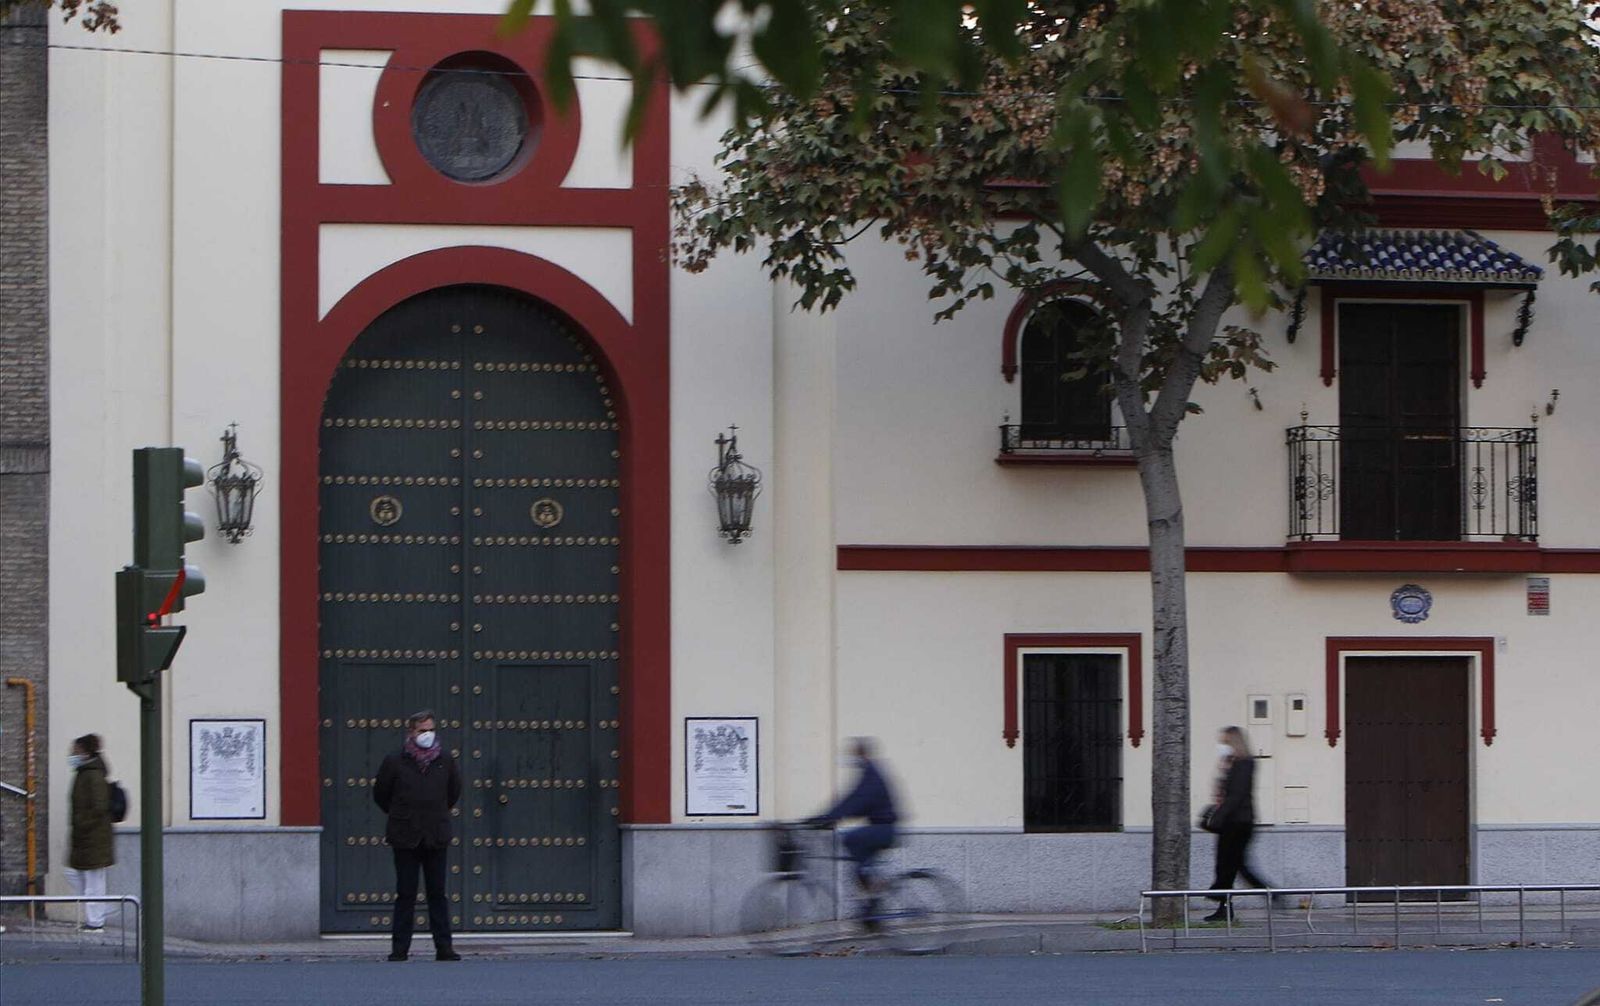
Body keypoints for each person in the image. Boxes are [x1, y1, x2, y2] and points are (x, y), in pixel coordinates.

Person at [374, 710, 462, 961]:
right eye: (422, 730)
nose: (427, 734)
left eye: (430, 729)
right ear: (411, 732)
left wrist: (435, 813)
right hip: (405, 835)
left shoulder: (445, 759)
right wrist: (401, 814)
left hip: (436, 835)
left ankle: (444, 947)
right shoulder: (395, 760)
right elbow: (381, 794)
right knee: (406, 893)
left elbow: (453, 791)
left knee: (437, 893)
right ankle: (400, 949)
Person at [806, 738, 899, 927]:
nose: (852, 759)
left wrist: (830, 817)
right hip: (881, 828)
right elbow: (852, 800)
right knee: (860, 862)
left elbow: (858, 801)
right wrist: (826, 816)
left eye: (855, 755)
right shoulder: (870, 772)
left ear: (861, 754)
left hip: (884, 829)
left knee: (851, 839)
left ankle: (875, 889)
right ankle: (872, 905)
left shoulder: (871, 774)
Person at [1202, 725, 1276, 921]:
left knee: (1232, 865)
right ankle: (1224, 906)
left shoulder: (1245, 764)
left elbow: (1236, 795)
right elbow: (1225, 793)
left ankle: (1269, 893)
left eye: (1224, 742)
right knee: (1230, 866)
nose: (1221, 747)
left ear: (1234, 742)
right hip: (1232, 822)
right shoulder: (1233, 763)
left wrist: (1217, 817)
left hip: (1239, 823)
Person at [66, 734, 115, 931]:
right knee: (74, 873)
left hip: (94, 837)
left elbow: (99, 806)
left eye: (75, 751)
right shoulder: (84, 772)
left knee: (94, 880)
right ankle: (102, 910)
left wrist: (82, 823)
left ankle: (96, 922)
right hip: (86, 837)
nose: (72, 754)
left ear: (85, 752)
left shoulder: (93, 775)